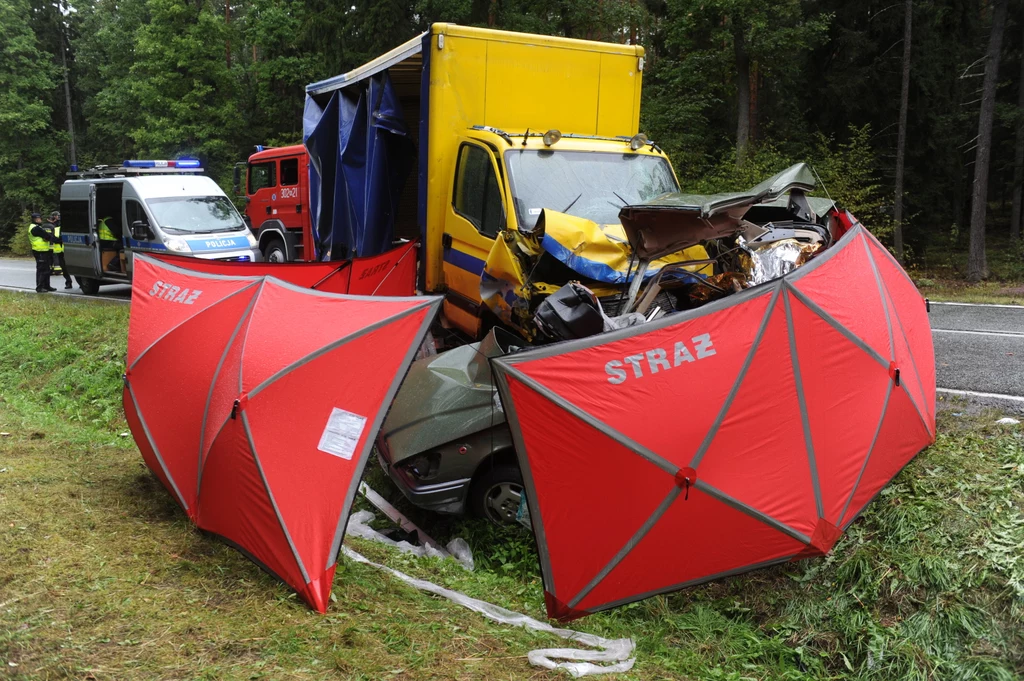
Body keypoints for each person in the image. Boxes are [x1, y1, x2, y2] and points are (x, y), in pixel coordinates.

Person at [27, 213, 60, 293]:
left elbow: (46, 236)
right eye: (39, 218)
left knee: (47, 269)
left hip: (44, 250)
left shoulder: (37, 227)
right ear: (36, 219)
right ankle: (40, 287)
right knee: (42, 270)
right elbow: (47, 236)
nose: (40, 219)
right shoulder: (35, 228)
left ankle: (46, 286)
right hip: (39, 251)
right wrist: (58, 240)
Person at [49, 210, 72, 289]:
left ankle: (79, 283)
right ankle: (68, 282)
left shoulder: (64, 225)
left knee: (72, 267)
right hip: (59, 250)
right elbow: (52, 238)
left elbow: (67, 236)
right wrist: (59, 240)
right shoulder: (53, 226)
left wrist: (60, 239)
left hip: (67, 249)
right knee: (64, 268)